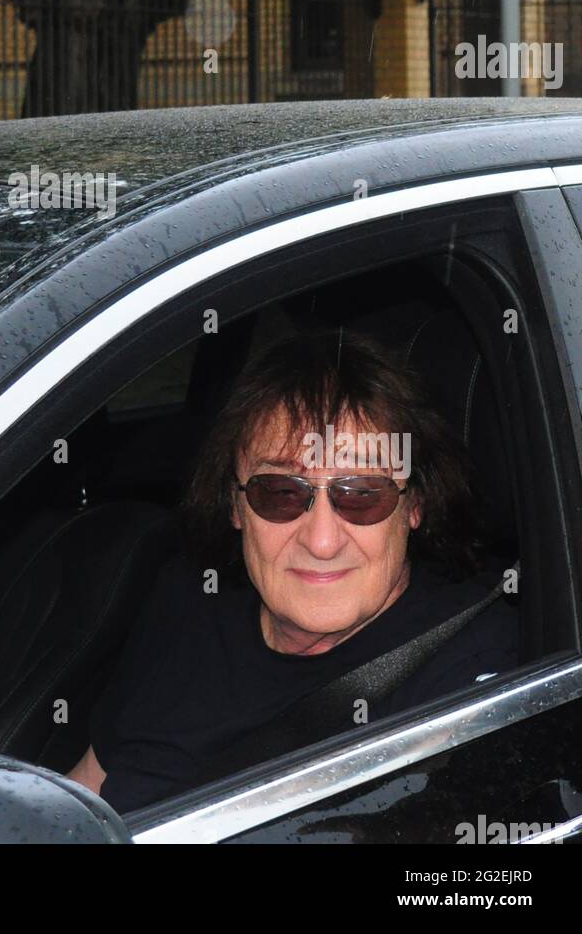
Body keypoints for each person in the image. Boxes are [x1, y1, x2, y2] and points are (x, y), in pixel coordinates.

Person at [67, 328, 519, 813]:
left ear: (415, 507)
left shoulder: (469, 673)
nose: (321, 541)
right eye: (280, 493)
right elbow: (82, 797)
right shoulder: (188, 598)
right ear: (235, 506)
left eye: (363, 493)